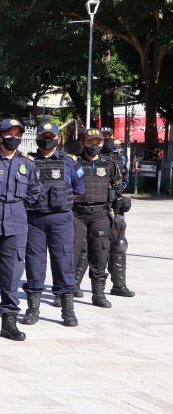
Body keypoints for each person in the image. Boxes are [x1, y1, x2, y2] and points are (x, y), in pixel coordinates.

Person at [0, 118, 41, 342]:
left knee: (12, 275)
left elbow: (34, 191)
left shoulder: (28, 164)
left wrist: (19, 207)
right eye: (9, 134)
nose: (14, 138)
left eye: (17, 134)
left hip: (16, 224)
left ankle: (8, 321)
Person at [21, 122, 83, 327]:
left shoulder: (70, 162)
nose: (47, 140)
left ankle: (68, 310)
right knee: (34, 264)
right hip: (34, 220)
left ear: (58, 139)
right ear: (37, 138)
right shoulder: (28, 162)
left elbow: (77, 190)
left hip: (61, 219)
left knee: (63, 262)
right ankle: (33, 309)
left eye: (51, 136)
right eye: (43, 136)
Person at [73, 127, 123, 308]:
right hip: (76, 214)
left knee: (100, 254)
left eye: (97, 142)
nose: (94, 146)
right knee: (71, 253)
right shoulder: (73, 163)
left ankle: (98, 293)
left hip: (100, 214)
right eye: (89, 142)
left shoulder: (109, 165)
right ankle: (67, 291)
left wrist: (121, 203)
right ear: (82, 143)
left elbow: (117, 188)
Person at [102, 131, 134, 298]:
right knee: (85, 247)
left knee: (119, 244)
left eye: (109, 136)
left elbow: (125, 178)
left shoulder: (119, 158)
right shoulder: (87, 157)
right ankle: (73, 287)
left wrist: (118, 194)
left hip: (116, 206)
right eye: (104, 136)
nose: (107, 140)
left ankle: (119, 285)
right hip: (95, 206)